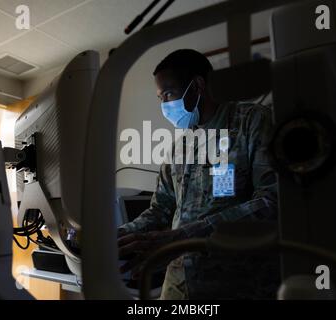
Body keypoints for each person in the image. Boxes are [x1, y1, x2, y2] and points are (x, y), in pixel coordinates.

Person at [118, 49, 280, 299]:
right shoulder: (179, 148)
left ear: (197, 86)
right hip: (179, 284)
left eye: (168, 94)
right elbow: (161, 209)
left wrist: (185, 237)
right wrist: (118, 236)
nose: (164, 106)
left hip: (238, 284)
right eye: (160, 98)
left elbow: (271, 203)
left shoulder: (251, 122)